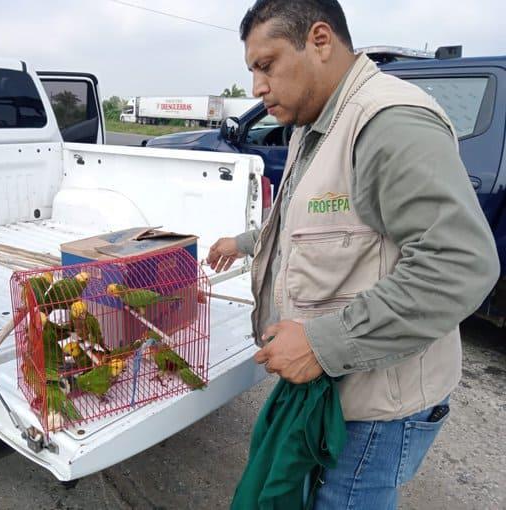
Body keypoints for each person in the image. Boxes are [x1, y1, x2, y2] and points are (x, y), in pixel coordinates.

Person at [207, 0, 501, 507]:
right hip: (332, 398)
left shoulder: (388, 123)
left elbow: (461, 265)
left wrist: (321, 343)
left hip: (376, 412)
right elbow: (314, 224)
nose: (256, 87)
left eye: (266, 64)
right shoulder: (314, 124)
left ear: (320, 40)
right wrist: (244, 244)